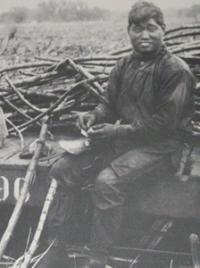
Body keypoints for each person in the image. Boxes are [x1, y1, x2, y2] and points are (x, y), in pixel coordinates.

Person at [36, 1, 195, 268]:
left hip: (163, 147)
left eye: (151, 28)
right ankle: (56, 248)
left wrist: (116, 131)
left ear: (163, 30)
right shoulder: (123, 66)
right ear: (129, 31)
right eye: (137, 29)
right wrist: (94, 116)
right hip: (128, 140)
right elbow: (109, 105)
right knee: (63, 168)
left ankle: (98, 259)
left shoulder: (176, 71)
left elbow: (164, 125)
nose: (144, 35)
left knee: (107, 182)